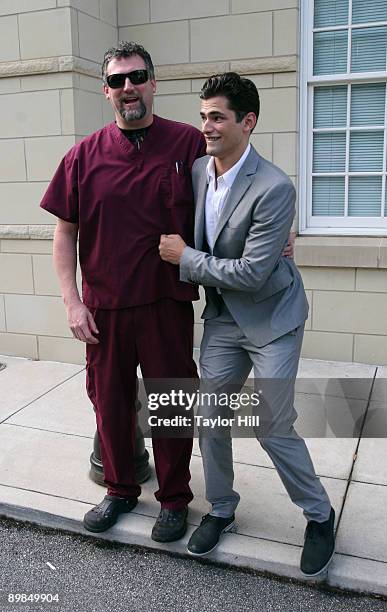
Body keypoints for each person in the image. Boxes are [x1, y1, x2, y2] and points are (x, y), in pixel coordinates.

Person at [159, 72, 335, 576]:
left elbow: (255, 274)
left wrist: (185, 258)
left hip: (272, 316)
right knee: (211, 416)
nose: (206, 126)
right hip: (223, 318)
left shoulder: (275, 187)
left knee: (271, 424)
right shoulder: (196, 171)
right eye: (203, 116)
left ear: (248, 121)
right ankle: (221, 508)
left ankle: (319, 516)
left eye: (217, 116)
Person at [40, 41, 207, 543]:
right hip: (105, 310)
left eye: (136, 77)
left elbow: (234, 190)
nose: (127, 87)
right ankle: (119, 489)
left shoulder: (188, 145)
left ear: (153, 84)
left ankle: (174, 499)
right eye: (117, 81)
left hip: (165, 305)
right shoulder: (83, 156)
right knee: (109, 404)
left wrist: (279, 227)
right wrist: (72, 301)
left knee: (172, 402)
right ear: (106, 90)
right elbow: (64, 232)